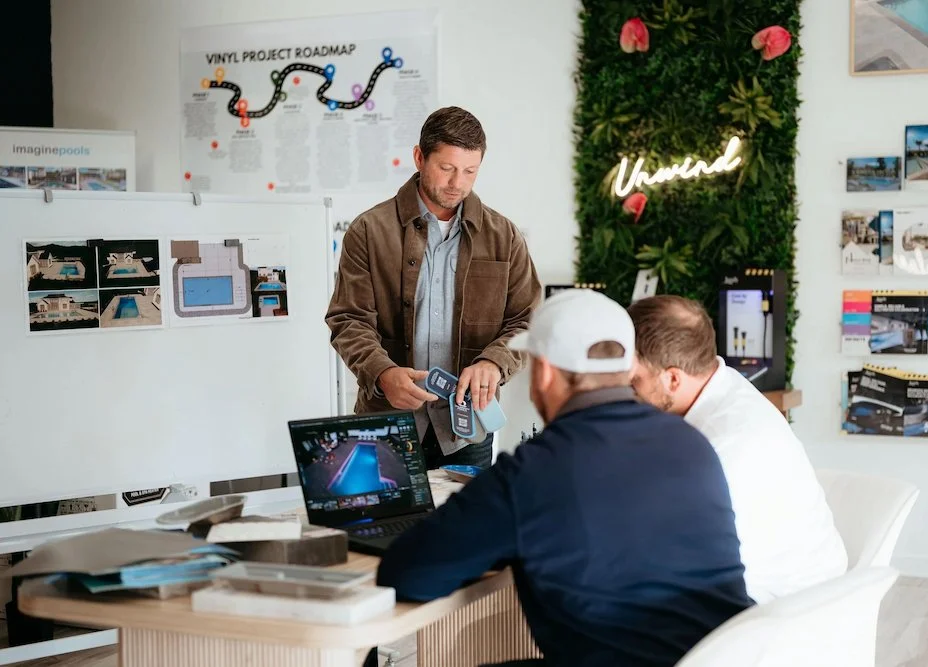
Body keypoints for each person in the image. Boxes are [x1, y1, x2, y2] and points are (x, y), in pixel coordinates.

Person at [375, 289, 753, 667]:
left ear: (545, 373)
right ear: (628, 368)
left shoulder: (534, 471)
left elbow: (408, 575)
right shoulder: (691, 443)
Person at [325, 106, 541, 470]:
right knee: (389, 526)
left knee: (465, 527)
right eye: (447, 168)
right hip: (386, 422)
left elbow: (528, 320)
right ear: (419, 157)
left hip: (467, 429)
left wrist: (494, 362)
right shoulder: (368, 230)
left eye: (470, 171)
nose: (458, 182)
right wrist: (382, 373)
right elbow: (349, 320)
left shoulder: (503, 236)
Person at [627, 294, 848, 605]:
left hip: (780, 611)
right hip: (789, 583)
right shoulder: (723, 384)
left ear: (673, 378)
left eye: (635, 379)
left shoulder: (721, 447)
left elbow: (664, 551)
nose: (629, 389)